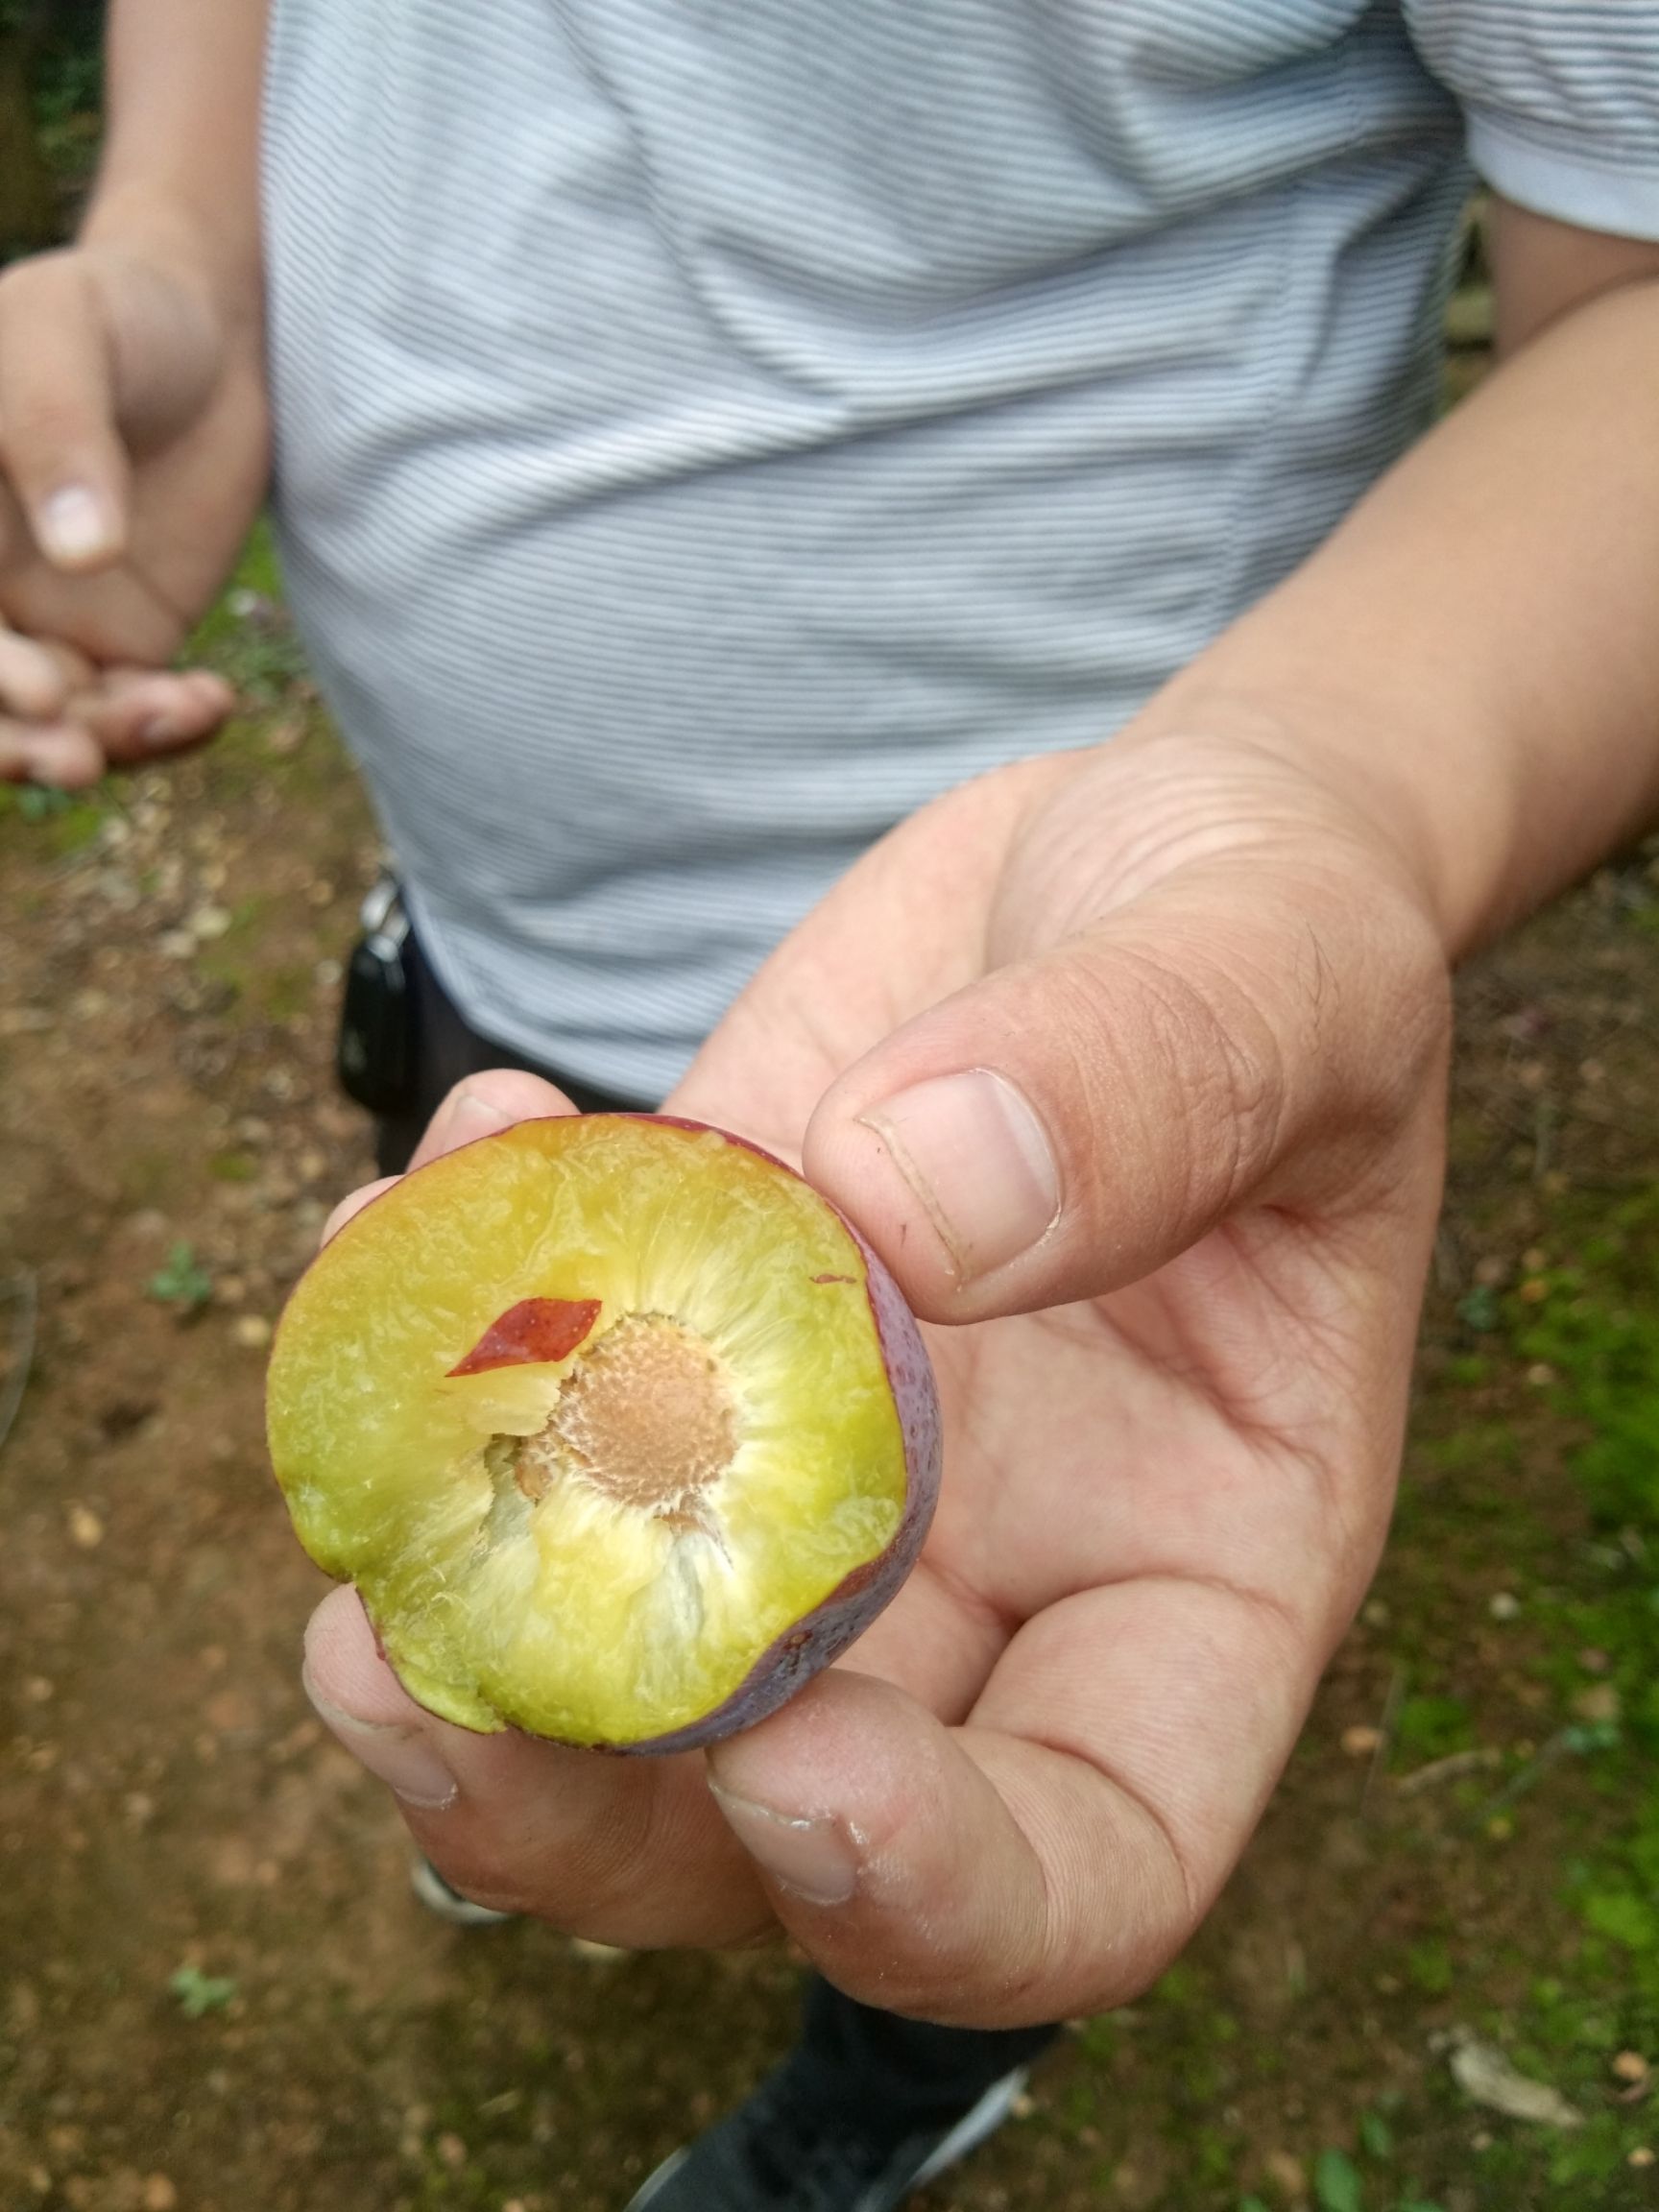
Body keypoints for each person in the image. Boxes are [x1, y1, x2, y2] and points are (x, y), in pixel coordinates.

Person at [2, 6, 1657, 2207]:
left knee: (930, 1774)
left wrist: (1315, 798)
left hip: (1049, 1086)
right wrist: (182, 239)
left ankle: (905, 2065)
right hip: (498, 968)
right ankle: (585, 1751)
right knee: (482, 1360)